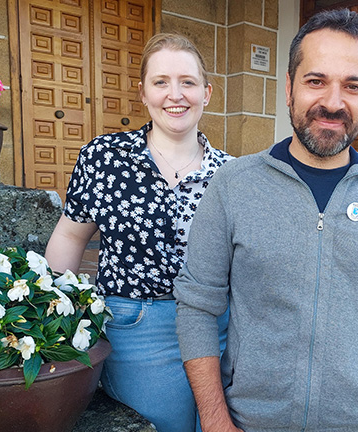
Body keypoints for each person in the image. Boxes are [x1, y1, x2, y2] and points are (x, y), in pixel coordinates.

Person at [173, 9, 358, 432]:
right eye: (316, 81)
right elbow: (196, 308)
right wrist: (215, 420)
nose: (333, 103)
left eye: (353, 86)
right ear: (289, 88)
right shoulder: (233, 186)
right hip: (251, 422)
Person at [45, 33, 232, 432]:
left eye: (188, 82)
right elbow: (71, 237)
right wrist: (56, 316)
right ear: (144, 93)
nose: (175, 94)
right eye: (161, 82)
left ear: (206, 93)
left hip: (219, 326)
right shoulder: (104, 158)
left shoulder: (232, 173)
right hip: (139, 327)